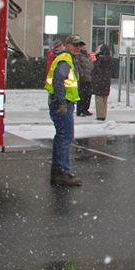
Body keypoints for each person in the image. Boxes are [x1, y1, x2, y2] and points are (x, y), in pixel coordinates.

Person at [45, 34, 84, 186]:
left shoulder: (66, 59)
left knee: (61, 137)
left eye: (79, 45)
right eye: (75, 44)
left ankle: (58, 170)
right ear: (66, 45)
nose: (78, 47)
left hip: (62, 103)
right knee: (65, 137)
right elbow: (58, 82)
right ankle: (62, 171)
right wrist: (62, 103)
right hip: (62, 104)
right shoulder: (65, 60)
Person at [91, 44, 112, 121]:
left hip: (99, 80)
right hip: (106, 80)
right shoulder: (110, 59)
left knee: (99, 97)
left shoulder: (99, 59)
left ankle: (100, 115)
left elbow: (95, 70)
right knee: (104, 98)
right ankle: (104, 113)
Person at [74, 43, 94, 117]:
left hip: (89, 77)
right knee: (82, 95)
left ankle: (85, 109)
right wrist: (81, 75)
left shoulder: (87, 55)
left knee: (88, 95)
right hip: (83, 78)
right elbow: (78, 66)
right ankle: (80, 110)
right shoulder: (78, 55)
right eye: (83, 46)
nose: (84, 47)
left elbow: (91, 64)